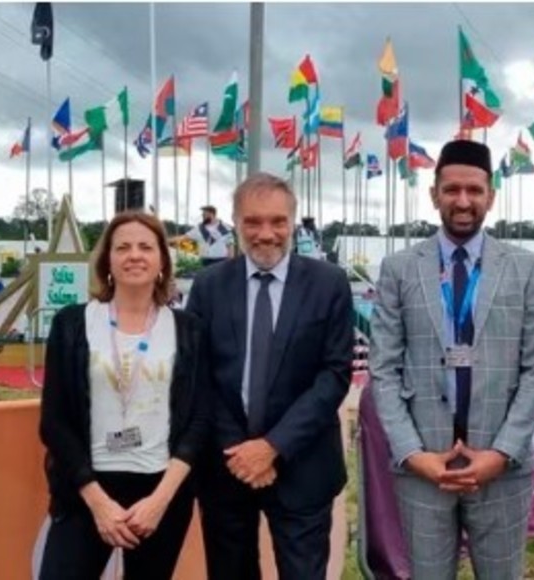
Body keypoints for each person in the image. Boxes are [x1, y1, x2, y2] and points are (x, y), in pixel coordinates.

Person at [370, 139, 534, 579]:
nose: (463, 201)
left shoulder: (525, 268)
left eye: (474, 190)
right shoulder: (399, 269)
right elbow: (384, 370)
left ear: (490, 195)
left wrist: (502, 451)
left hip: (500, 468)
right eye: (451, 190)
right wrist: (413, 453)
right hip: (424, 468)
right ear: (434, 194)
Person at [186, 172, 354, 579]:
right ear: (236, 222)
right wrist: (241, 450)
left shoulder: (328, 283)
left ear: (293, 223)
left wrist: (273, 446)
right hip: (228, 467)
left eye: (278, 221)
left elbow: (333, 376)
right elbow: (198, 376)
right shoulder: (209, 286)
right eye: (253, 222)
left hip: (304, 466)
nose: (266, 233)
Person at [38, 211, 209, 579]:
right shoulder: (71, 323)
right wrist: (98, 502)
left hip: (160, 492)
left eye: (146, 247)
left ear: (162, 260)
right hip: (87, 489)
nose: (135, 255)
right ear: (108, 261)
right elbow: (53, 421)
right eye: (123, 247)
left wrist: (160, 501)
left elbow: (198, 420)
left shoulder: (189, 330)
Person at [171, 205, 235, 267]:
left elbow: (230, 246)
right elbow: (184, 237)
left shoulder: (225, 228)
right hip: (205, 261)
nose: (202, 216)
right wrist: (166, 241)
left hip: (221, 261)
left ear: (211, 214)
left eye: (204, 214)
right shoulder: (199, 229)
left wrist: (230, 264)